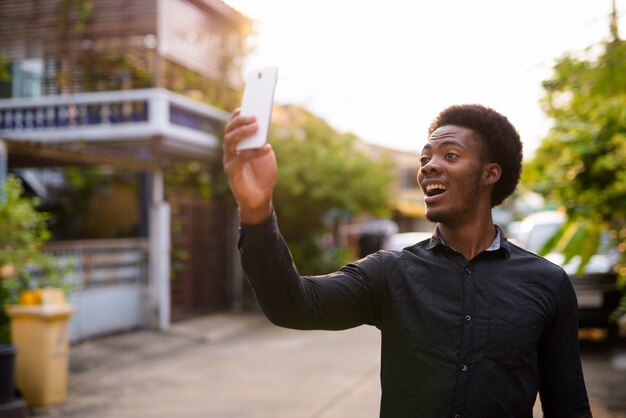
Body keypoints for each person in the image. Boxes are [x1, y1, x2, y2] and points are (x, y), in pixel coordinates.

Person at [223, 104, 592, 417]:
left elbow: (569, 408)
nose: (429, 166)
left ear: (490, 174)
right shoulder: (390, 273)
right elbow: (293, 305)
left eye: (450, 155)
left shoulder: (547, 284)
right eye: (425, 158)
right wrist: (256, 209)